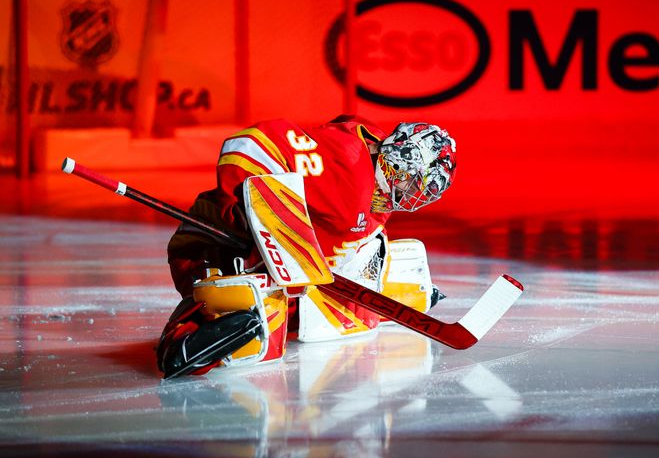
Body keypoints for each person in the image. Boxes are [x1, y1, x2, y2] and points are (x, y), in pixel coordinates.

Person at [156, 115, 457, 378]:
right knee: (257, 312)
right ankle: (185, 336)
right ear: (396, 161)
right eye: (411, 182)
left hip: (276, 263)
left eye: (420, 189)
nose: (410, 194)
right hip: (212, 244)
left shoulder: (374, 159)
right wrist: (254, 214)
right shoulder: (347, 169)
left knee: (311, 304)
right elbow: (249, 144)